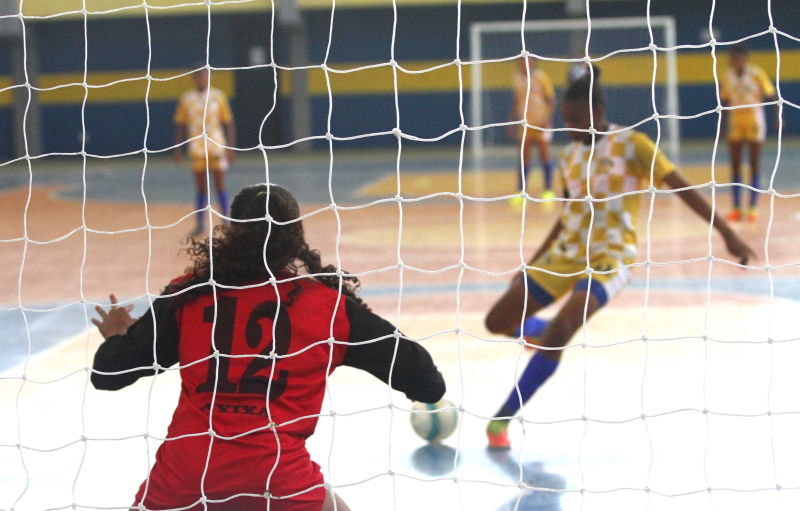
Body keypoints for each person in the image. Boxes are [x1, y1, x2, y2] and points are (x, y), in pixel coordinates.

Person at [90, 184, 446, 511]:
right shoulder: (329, 308)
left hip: (185, 482)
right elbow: (428, 382)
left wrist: (120, 338)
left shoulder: (189, 294)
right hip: (277, 483)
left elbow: (108, 373)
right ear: (295, 240)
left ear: (229, 233)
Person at [483, 71, 757, 450]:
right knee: (496, 321)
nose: (569, 127)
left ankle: (499, 421)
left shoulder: (634, 144)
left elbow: (684, 189)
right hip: (565, 255)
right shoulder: (569, 155)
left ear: (597, 112)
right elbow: (567, 215)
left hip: (612, 257)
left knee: (561, 333)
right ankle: (536, 328)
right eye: (565, 119)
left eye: (576, 119)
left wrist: (728, 234)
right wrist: (532, 262)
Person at [174, 65, 237, 236]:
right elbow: (181, 124)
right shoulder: (187, 99)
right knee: (201, 187)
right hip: (197, 147)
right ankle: (200, 224)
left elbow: (228, 122)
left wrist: (230, 148)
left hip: (216, 146)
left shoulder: (218, 96)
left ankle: (226, 221)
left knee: (220, 185)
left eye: (204, 76)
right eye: (198, 76)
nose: (201, 79)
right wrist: (178, 148)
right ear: (194, 78)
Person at [720, 43, 779, 223]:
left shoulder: (756, 74)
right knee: (735, 164)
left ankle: (753, 206)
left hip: (754, 120)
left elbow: (772, 95)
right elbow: (724, 102)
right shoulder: (727, 76)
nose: (735, 60)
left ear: (744, 58)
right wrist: (722, 125)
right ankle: (736, 207)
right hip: (736, 121)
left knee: (754, 163)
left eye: (738, 57)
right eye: (732, 57)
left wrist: (778, 117)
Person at [508, 56, 556, 206]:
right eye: (522, 62)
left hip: (541, 122)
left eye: (527, 61)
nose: (524, 64)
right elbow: (516, 101)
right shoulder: (516, 79)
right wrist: (511, 121)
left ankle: (548, 190)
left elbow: (551, 99)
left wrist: (547, 119)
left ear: (532, 63)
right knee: (524, 156)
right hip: (525, 123)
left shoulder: (540, 77)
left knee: (544, 155)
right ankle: (521, 191)